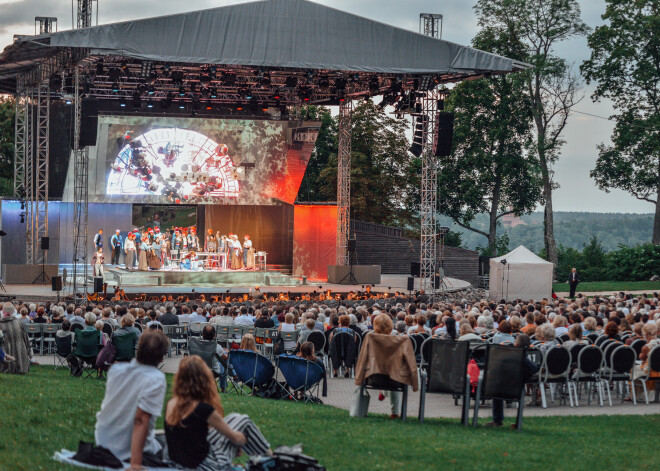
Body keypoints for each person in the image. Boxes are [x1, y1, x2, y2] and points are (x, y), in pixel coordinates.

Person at [164, 356, 271, 471]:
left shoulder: (172, 404)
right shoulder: (202, 409)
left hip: (177, 462)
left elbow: (195, 433)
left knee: (235, 417)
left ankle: (267, 458)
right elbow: (235, 438)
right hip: (205, 466)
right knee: (244, 421)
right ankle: (271, 459)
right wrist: (242, 440)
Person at [94, 331, 169, 468]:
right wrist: (135, 464)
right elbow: (141, 419)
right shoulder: (156, 379)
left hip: (103, 439)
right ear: (162, 357)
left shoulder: (116, 370)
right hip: (127, 449)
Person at [486, 334, 539, 428]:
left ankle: (497, 420)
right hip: (516, 389)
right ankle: (517, 423)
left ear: (516, 344)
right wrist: (523, 377)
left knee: (497, 389)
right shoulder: (523, 359)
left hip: (498, 389)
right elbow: (534, 368)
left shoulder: (507, 355)